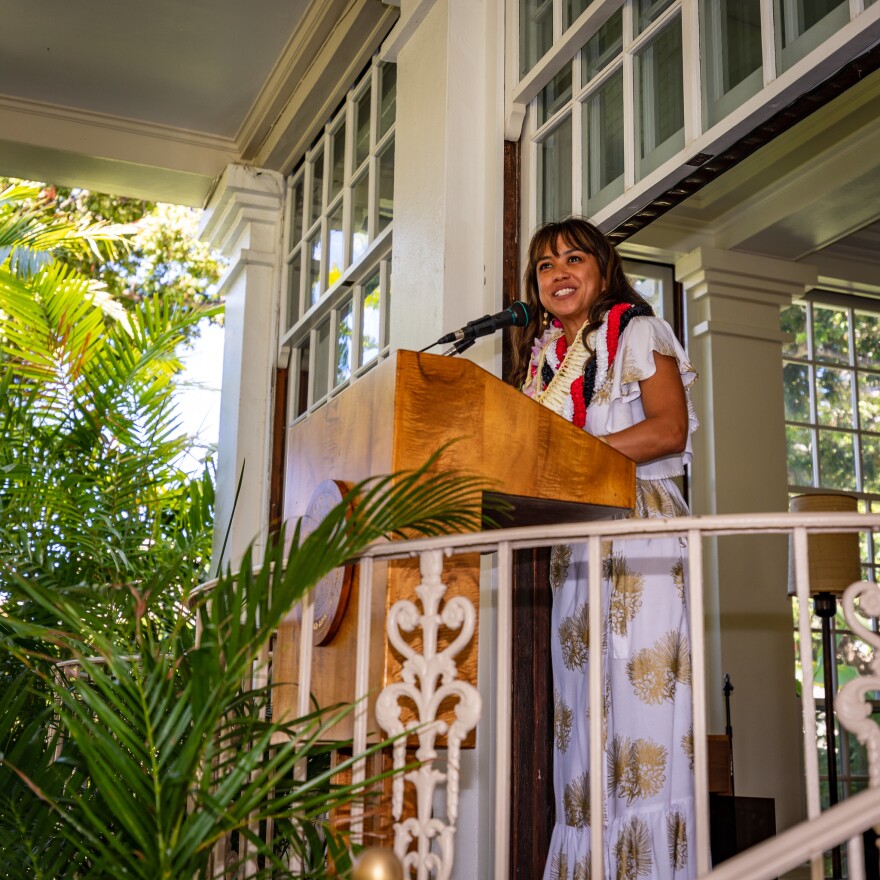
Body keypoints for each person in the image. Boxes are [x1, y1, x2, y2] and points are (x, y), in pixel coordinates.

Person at [510, 217, 699, 880]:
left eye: (573, 258)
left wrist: (569, 457)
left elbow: (668, 430)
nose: (559, 273)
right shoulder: (540, 360)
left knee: (640, 710)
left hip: (637, 525)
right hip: (574, 542)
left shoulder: (637, 330)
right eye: (544, 265)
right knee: (582, 721)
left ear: (602, 268)